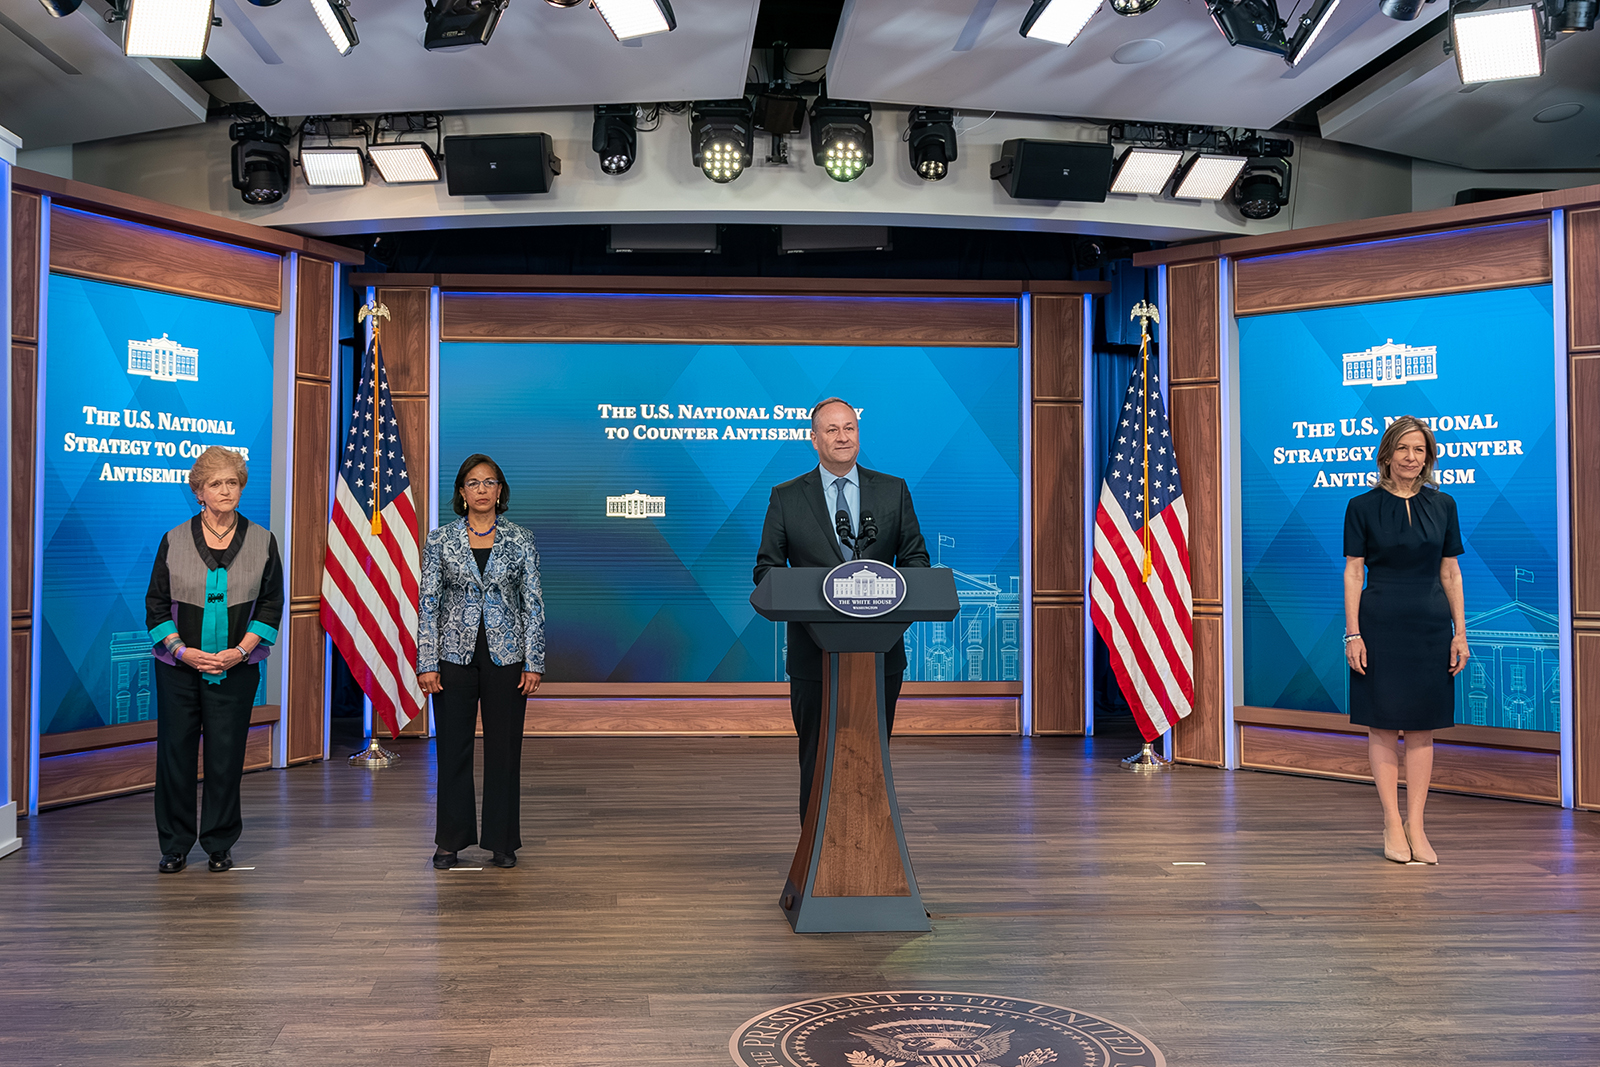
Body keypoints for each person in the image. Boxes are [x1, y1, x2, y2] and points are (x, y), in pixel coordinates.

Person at [754, 397, 930, 820]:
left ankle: (870, 858)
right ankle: (815, 859)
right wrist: (813, 600)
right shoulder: (787, 497)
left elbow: (916, 564)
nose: (842, 436)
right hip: (813, 657)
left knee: (870, 757)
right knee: (818, 759)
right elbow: (766, 571)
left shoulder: (893, 490)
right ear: (813, 440)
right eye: (831, 430)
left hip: (880, 654)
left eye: (849, 427)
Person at [146, 446, 283, 874]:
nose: (225, 490)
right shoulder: (172, 539)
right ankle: (175, 845)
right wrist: (183, 652)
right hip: (178, 670)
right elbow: (155, 605)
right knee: (175, 754)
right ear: (198, 491)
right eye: (215, 483)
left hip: (236, 668)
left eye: (232, 482)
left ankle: (220, 842)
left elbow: (271, 605)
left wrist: (240, 651)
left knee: (226, 755)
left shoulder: (262, 540)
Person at [1343, 416, 1469, 866]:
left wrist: (1461, 633)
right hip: (1379, 626)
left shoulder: (1445, 504)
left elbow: (1450, 572)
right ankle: (1391, 822)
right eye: (1404, 449)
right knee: (1382, 725)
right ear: (1387, 455)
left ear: (1428, 457)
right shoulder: (1360, 506)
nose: (1412, 458)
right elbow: (1354, 572)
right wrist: (1353, 633)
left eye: (1420, 450)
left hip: (1431, 628)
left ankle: (1417, 824)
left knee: (1421, 727)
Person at [417, 454, 545, 870]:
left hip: (507, 657)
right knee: (452, 749)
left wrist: (534, 661)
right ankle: (450, 841)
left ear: (501, 491)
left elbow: (533, 605)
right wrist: (426, 661)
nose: (482, 489)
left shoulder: (521, 539)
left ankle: (502, 841)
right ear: (461, 492)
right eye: (473, 482)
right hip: (452, 656)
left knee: (504, 751)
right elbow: (429, 603)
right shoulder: (440, 540)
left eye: (490, 482)